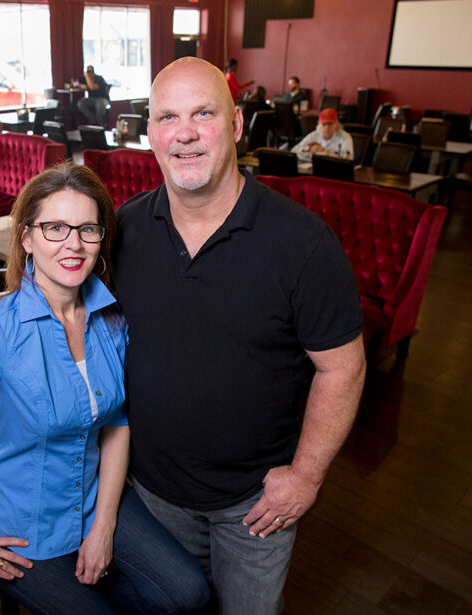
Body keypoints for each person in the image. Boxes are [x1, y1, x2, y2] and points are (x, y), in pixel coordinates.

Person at [0, 163, 210, 615]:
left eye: (87, 229)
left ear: (102, 240)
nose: (73, 244)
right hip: (23, 523)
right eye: (55, 227)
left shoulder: (112, 318)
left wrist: (103, 527)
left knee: (189, 594)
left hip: (95, 495)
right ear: (26, 238)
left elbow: (116, 422)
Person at [112, 57, 366, 615]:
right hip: (151, 493)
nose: (184, 133)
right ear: (150, 133)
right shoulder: (123, 231)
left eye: (203, 113)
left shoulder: (302, 244)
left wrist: (305, 475)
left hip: (254, 507)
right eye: (167, 118)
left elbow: (342, 367)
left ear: (236, 124)